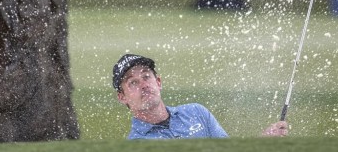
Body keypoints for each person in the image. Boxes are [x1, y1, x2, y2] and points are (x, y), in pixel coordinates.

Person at [112, 53, 288, 139]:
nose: (143, 85)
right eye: (133, 82)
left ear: (158, 82)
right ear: (122, 97)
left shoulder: (196, 112)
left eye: (146, 76)